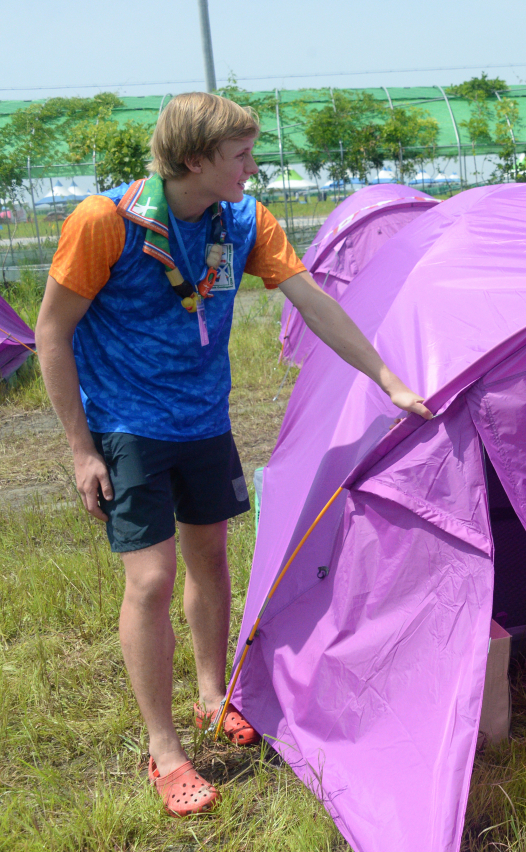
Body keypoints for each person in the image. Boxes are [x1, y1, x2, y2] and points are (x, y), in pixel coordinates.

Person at [34, 92, 430, 817]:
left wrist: (386, 378)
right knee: (150, 581)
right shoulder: (105, 223)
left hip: (204, 424)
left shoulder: (241, 221)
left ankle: (213, 695)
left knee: (210, 558)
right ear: (193, 160)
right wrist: (80, 451)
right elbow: (52, 332)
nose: (254, 166)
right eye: (240, 155)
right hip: (128, 427)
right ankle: (165, 750)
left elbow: (310, 299)